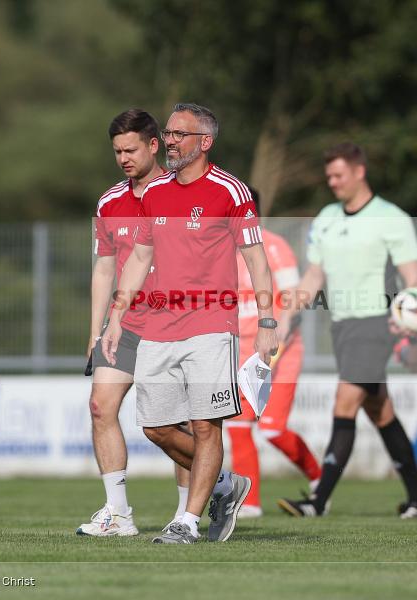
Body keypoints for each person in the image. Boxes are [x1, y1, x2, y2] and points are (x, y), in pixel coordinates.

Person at [103, 103, 278, 543]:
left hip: (211, 326)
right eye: (170, 132)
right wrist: (117, 315)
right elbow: (140, 257)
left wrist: (269, 319)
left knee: (205, 425)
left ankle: (188, 521)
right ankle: (224, 484)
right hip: (158, 329)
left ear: (205, 142)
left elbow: (256, 258)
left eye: (180, 134)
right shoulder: (155, 193)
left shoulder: (230, 191)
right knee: (156, 427)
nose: (172, 140)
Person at [276, 142, 417, 518]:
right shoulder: (327, 216)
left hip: (377, 325)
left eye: (339, 175)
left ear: (360, 172)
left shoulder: (391, 218)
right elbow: (314, 276)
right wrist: (284, 318)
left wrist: (414, 328)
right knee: (380, 412)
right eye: (328, 176)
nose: (333, 182)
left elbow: (414, 278)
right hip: (343, 327)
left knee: (344, 403)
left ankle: (319, 499)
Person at [76, 109, 190, 537]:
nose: (123, 158)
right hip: (124, 325)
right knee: (100, 406)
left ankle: (187, 513)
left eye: (131, 149)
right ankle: (118, 514)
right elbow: (104, 268)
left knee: (175, 425)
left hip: (174, 324)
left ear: (154, 145)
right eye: (117, 151)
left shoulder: (181, 191)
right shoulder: (109, 201)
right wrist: (95, 330)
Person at [227, 188, 321, 517]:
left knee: (271, 429)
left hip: (281, 352)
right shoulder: (221, 251)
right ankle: (249, 503)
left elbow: (294, 298)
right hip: (240, 355)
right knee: (238, 426)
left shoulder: (274, 246)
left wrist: (279, 333)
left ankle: (319, 479)